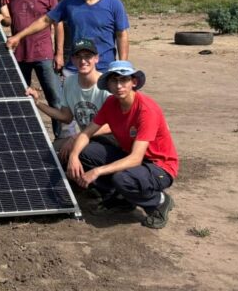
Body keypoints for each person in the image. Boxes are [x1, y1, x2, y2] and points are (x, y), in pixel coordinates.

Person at [67, 61, 178, 229]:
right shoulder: (111, 103)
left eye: (124, 80)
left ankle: (159, 202)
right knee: (85, 152)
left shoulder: (146, 110)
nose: (119, 86)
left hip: (159, 166)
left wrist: (97, 171)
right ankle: (121, 199)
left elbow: (135, 159)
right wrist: (73, 156)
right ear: (108, 85)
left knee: (123, 179)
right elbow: (86, 133)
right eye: (114, 81)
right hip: (132, 158)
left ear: (133, 82)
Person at [6, 0, 130, 75]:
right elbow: (45, 20)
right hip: (75, 69)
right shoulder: (69, 3)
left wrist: (122, 66)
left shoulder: (114, 4)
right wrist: (18, 36)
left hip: (104, 69)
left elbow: (121, 35)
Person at [4, 0, 64, 135]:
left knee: (55, 99)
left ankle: (60, 138)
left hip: (43, 54)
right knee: (20, 98)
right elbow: (7, 19)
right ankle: (24, 137)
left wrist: (59, 53)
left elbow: (58, 23)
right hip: (19, 55)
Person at [27, 38, 111, 161]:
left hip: (108, 140)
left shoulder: (106, 85)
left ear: (96, 58)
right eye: (78, 57)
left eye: (88, 56)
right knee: (49, 154)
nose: (83, 61)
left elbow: (112, 126)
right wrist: (37, 102)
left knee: (78, 153)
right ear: (72, 59)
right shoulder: (69, 82)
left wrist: (77, 137)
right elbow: (66, 117)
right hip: (86, 138)